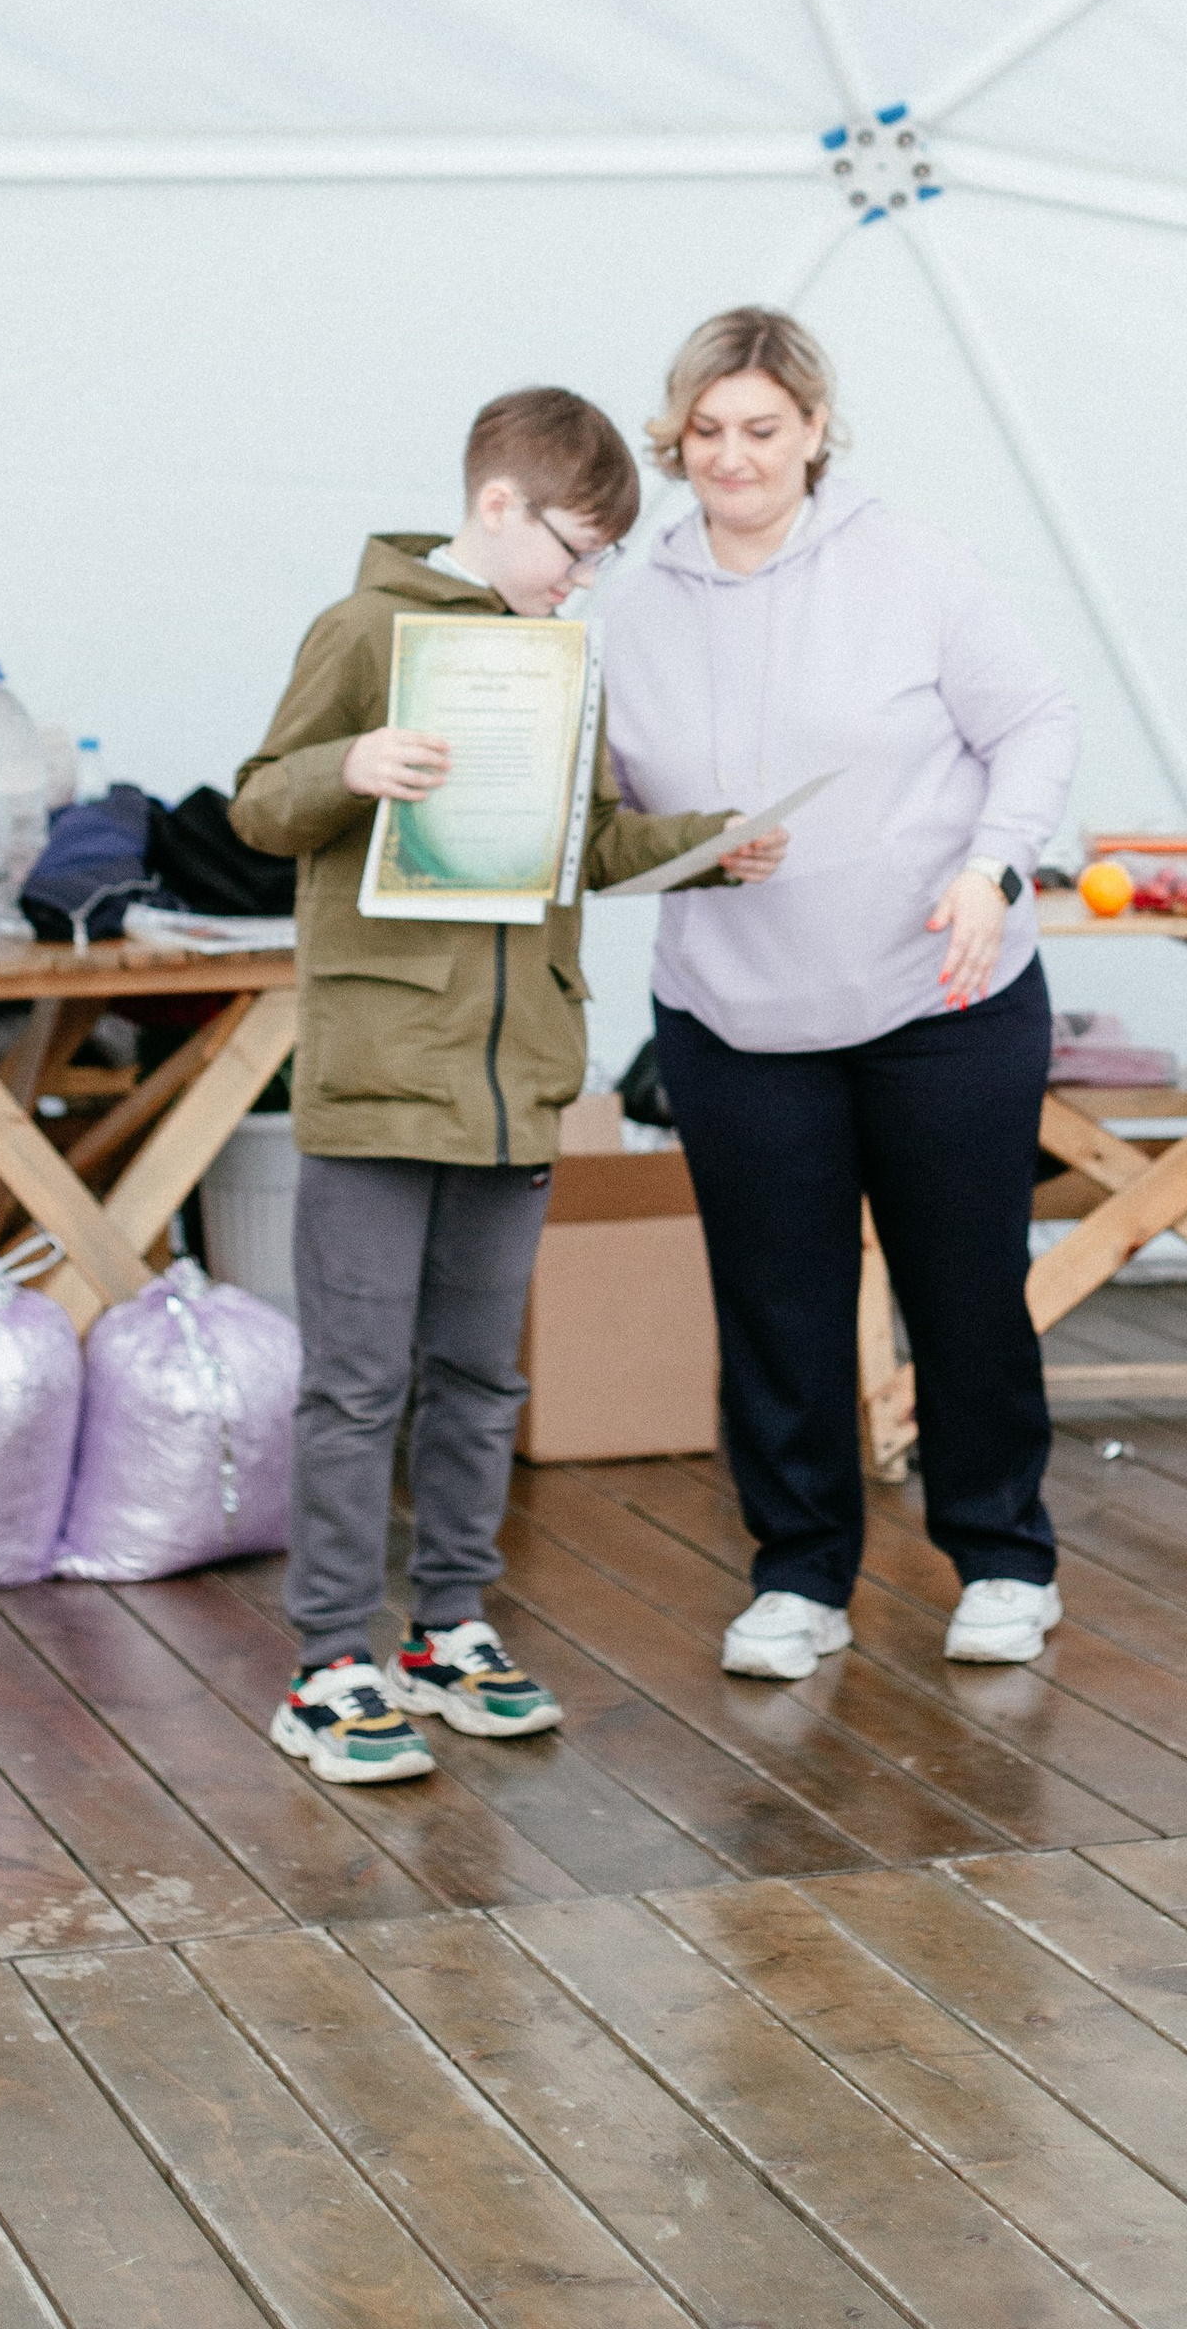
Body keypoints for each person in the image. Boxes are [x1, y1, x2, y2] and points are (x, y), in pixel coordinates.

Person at [230, 385, 785, 1787]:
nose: (582, 578)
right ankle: (329, 1663)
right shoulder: (363, 633)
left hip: (514, 1076)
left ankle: (450, 1634)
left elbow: (588, 844)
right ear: (496, 506)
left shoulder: (564, 662)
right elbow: (258, 805)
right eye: (573, 548)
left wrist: (715, 845)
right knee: (357, 1386)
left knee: (480, 1377)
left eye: (601, 559)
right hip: (376, 1076)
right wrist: (349, 766)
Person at [600, 307, 1078, 1677]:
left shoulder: (914, 565)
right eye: (709, 432)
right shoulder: (633, 609)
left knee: (965, 1289)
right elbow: (612, 813)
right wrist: (673, 851)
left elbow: (1035, 722)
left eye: (763, 428)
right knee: (776, 1302)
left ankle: (1001, 1556)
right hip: (736, 1017)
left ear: (815, 429)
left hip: (944, 1001)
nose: (736, 457)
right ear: (675, 440)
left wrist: (993, 870)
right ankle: (799, 1575)